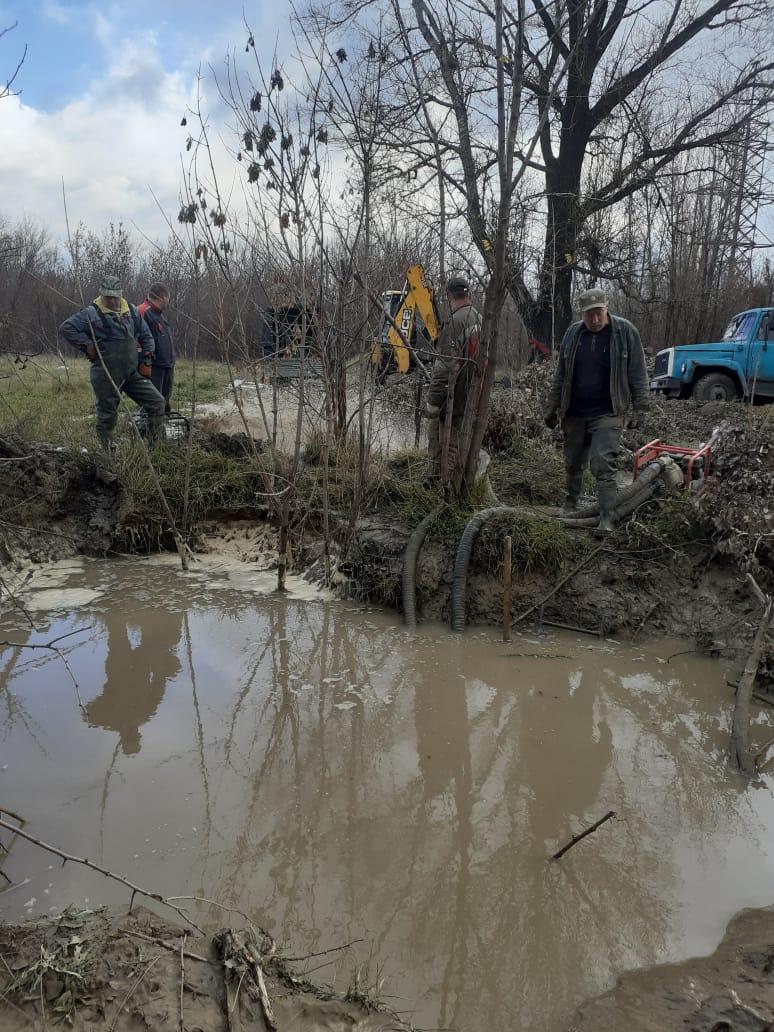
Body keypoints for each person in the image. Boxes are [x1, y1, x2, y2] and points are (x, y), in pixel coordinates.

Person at [544, 287, 649, 535]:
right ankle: (570, 503)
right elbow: (561, 374)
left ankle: (606, 517)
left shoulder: (625, 332)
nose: (594, 319)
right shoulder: (572, 334)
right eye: (589, 314)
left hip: (608, 411)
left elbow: (638, 372)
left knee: (603, 462)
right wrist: (552, 405)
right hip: (576, 410)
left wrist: (641, 407)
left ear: (606, 308)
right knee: (572, 460)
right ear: (582, 314)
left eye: (598, 313)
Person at [60, 274, 165, 450]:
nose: (112, 301)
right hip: (105, 375)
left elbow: (147, 336)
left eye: (114, 297)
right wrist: (87, 345)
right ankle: (106, 453)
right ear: (101, 295)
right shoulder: (91, 313)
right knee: (107, 416)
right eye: (107, 297)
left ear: (120, 294)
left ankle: (155, 448)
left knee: (157, 402)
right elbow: (66, 328)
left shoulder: (131, 312)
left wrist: (146, 360)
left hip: (131, 374)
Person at [425, 273, 482, 483]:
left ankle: (441, 488)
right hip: (473, 392)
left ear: (449, 295)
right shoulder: (479, 318)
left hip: (455, 395)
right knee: (459, 444)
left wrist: (433, 401)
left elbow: (443, 367)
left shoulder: (455, 322)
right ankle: (450, 483)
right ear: (470, 293)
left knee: (444, 443)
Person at [137, 283, 175, 414]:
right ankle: (147, 429)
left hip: (166, 365)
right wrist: (144, 362)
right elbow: (136, 339)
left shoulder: (160, 315)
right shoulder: (142, 311)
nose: (168, 301)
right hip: (153, 366)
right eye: (168, 298)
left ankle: (162, 426)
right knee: (153, 401)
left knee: (164, 401)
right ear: (163, 297)